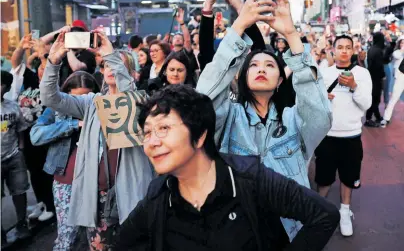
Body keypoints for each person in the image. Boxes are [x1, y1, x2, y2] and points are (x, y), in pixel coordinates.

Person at [116, 85, 339, 250]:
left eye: (164, 128)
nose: (152, 142)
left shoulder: (250, 179)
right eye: (147, 132)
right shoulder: (158, 196)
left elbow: (324, 215)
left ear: (200, 134)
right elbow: (123, 243)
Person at [197, 0, 332, 240]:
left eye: (270, 65)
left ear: (280, 80)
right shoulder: (228, 118)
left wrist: (291, 34)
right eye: (254, 65)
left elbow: (321, 115)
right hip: (235, 228)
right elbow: (203, 100)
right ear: (243, 77)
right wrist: (237, 27)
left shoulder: (294, 120)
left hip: (288, 229)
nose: (261, 68)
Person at [40, 29, 154, 251]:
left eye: (118, 65)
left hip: (130, 194)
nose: (111, 68)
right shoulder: (91, 102)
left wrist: (110, 53)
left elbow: (127, 98)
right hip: (96, 195)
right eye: (107, 65)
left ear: (132, 73)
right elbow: (49, 98)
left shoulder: (142, 101)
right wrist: (53, 62)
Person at [31, 72, 100, 250]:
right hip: (65, 179)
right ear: (66, 93)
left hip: (94, 181)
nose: (81, 102)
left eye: (87, 96)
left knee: (95, 237)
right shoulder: (56, 108)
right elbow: (35, 136)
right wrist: (72, 125)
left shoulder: (99, 108)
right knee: (66, 235)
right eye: (76, 97)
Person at [315, 35, 372, 237]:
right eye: (340, 47)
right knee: (323, 179)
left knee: (348, 177)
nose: (344, 51)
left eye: (348, 47)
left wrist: (354, 86)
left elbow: (366, 104)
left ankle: (345, 212)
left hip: (351, 135)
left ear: (353, 49)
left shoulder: (362, 73)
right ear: (333, 50)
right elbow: (314, 102)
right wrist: (323, 97)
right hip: (327, 135)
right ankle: (318, 212)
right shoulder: (324, 72)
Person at [7, 34, 55, 223]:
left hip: (48, 133)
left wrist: (44, 55)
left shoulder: (53, 82)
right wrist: (21, 47)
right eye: (41, 68)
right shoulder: (31, 79)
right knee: (34, 170)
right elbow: (16, 64)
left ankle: (52, 205)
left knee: (47, 170)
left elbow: (49, 67)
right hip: (27, 132)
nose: (43, 70)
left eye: (47, 66)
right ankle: (42, 202)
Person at [1, 71, 31, 242]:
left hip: (13, 156)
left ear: (6, 87)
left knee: (19, 191)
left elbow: (20, 128)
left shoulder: (12, 107)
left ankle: (22, 224)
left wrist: (20, 149)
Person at [381, 37, 404, 127]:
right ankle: (386, 118)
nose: (403, 44)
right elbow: (397, 56)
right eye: (402, 43)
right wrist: (402, 50)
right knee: (394, 98)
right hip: (400, 77)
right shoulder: (397, 52)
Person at [365, 32, 385, 127]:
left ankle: (377, 116)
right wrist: (383, 75)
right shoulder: (378, 51)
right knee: (375, 99)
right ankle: (368, 119)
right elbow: (379, 66)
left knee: (374, 98)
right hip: (376, 78)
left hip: (371, 77)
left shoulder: (371, 49)